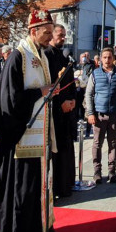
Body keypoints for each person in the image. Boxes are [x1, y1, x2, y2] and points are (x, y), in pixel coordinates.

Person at [0, 9, 57, 232]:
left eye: (51, 32)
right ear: (33, 31)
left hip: (39, 140)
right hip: (21, 140)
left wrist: (49, 92)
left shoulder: (42, 55)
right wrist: (40, 92)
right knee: (22, 192)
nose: (51, 36)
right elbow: (9, 101)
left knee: (36, 191)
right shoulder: (18, 57)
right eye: (47, 32)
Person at [85, 47, 116, 184]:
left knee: (113, 143)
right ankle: (97, 171)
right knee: (97, 143)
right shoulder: (95, 74)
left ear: (113, 58)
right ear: (101, 59)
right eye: (104, 57)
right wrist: (90, 113)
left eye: (109, 57)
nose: (107, 60)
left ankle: (112, 171)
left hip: (114, 114)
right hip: (99, 114)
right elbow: (88, 94)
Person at [45, 24, 76, 199]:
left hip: (67, 111)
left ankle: (66, 185)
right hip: (54, 111)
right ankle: (56, 187)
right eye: (59, 35)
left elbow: (70, 81)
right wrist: (60, 103)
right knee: (56, 152)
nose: (63, 38)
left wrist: (72, 101)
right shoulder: (47, 56)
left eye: (64, 35)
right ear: (51, 36)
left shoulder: (65, 57)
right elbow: (49, 84)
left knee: (67, 148)